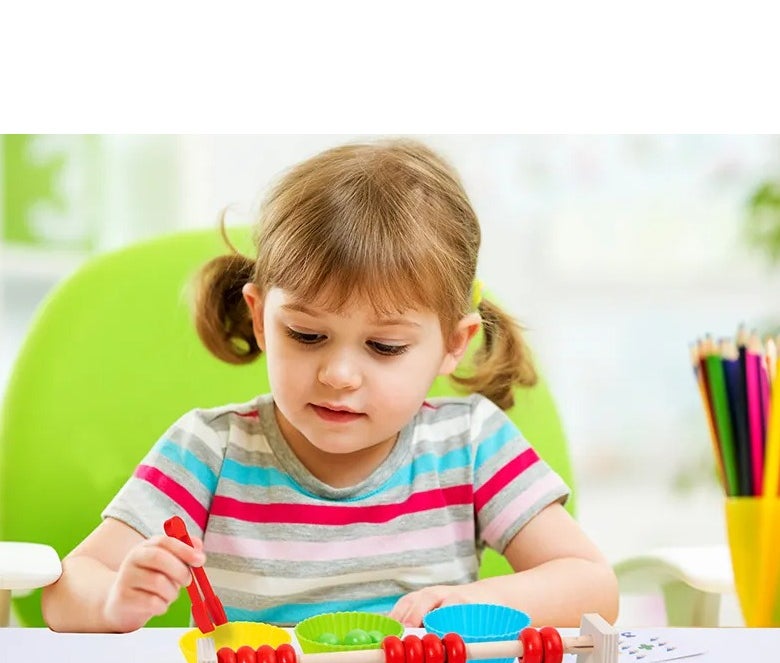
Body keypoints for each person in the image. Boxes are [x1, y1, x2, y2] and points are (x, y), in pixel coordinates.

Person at [42, 138, 618, 634]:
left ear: (453, 342)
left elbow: (595, 588)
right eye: (307, 334)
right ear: (260, 316)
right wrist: (113, 601)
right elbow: (65, 592)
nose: (339, 375)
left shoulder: (469, 443)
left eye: (384, 347)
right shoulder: (209, 450)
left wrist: (475, 601)